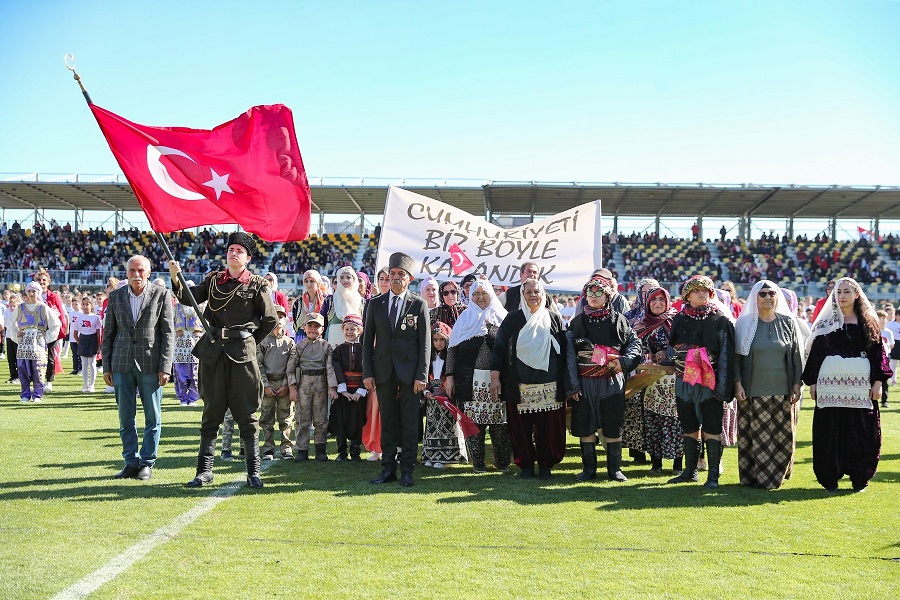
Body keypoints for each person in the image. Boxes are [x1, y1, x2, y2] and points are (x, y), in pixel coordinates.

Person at [169, 232, 278, 490]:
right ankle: (203, 471)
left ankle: (253, 472)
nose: (234, 253)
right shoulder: (214, 280)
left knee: (248, 414)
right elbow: (189, 298)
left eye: (240, 250)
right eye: (231, 249)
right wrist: (176, 276)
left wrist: (248, 340)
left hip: (243, 354)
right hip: (214, 353)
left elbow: (270, 320)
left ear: (248, 257)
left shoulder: (258, 284)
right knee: (211, 412)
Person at [802, 278, 890, 492]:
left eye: (847, 291)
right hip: (829, 390)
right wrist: (812, 382)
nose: (842, 295)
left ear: (857, 294)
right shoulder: (826, 324)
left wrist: (878, 382)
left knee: (862, 433)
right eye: (838, 291)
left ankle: (859, 477)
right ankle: (829, 477)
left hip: (861, 391)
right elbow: (816, 354)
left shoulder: (868, 323)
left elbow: (878, 355)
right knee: (829, 433)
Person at [102, 255, 174, 481]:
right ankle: (130, 462)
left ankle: (147, 462)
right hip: (121, 364)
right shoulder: (115, 296)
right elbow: (109, 334)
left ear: (149, 272)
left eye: (140, 270)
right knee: (125, 418)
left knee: (153, 417)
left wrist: (165, 366)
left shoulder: (162, 294)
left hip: (151, 365)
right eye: (132, 270)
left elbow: (168, 333)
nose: (136, 274)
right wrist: (106, 366)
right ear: (126, 273)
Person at [363, 252, 431, 488]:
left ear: (409, 278)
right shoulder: (375, 304)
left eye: (400, 274)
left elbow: (425, 343)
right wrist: (368, 373)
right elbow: (367, 341)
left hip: (410, 373)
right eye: (392, 274)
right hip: (383, 371)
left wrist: (422, 375)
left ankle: (407, 470)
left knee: (410, 421)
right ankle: (388, 468)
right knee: (389, 421)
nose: (395, 278)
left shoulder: (418, 304)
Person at [565, 277, 643, 481]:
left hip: (611, 380)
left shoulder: (619, 320)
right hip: (584, 382)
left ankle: (614, 469)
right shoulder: (577, 322)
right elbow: (569, 355)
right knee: (585, 422)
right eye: (589, 293)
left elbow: (635, 345)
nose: (592, 296)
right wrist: (573, 385)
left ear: (608, 295)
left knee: (612, 421)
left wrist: (624, 362)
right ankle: (589, 469)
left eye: (598, 292)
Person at [491, 278, 567, 480]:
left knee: (548, 430)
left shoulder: (553, 319)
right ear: (522, 295)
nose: (533, 295)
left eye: (537, 292)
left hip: (550, 384)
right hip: (520, 384)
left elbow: (565, 352)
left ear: (543, 295)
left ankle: (545, 466)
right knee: (521, 430)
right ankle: (525, 466)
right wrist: (495, 377)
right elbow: (498, 349)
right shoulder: (513, 319)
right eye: (529, 292)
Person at [666, 275, 736, 488]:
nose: (702, 292)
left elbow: (727, 355)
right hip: (684, 381)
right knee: (689, 425)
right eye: (696, 289)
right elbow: (672, 347)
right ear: (687, 295)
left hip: (710, 382)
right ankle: (690, 471)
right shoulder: (679, 318)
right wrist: (673, 355)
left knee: (712, 426)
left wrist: (723, 387)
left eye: (706, 289)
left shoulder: (720, 321)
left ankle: (713, 475)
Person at [733, 280, 803, 489]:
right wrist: (737, 384)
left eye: (771, 293)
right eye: (762, 294)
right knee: (758, 437)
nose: (767, 297)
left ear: (777, 296)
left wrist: (797, 383)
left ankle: (778, 475)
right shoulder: (744, 324)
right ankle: (758, 478)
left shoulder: (788, 322)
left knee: (782, 436)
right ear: (755, 297)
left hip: (783, 391)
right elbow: (736, 359)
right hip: (753, 391)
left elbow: (795, 355)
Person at [446, 280, 512, 473]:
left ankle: (501, 462)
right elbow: (452, 350)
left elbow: (510, 350)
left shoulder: (502, 318)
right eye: (476, 294)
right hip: (470, 381)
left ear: (491, 294)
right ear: (470, 296)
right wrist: (449, 376)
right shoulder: (464, 319)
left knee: (500, 424)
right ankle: (478, 463)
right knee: (474, 425)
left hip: (498, 381)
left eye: (484, 293)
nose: (480, 297)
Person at [633, 286, 683, 475]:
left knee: (677, 422)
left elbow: (683, 346)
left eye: (662, 300)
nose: (658, 303)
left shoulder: (676, 321)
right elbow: (634, 348)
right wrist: (647, 356)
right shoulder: (640, 323)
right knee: (654, 422)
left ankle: (678, 465)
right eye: (653, 300)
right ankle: (656, 464)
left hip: (674, 380)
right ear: (647, 302)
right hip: (649, 381)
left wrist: (666, 354)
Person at [287, 312, 338, 461]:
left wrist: (331, 387)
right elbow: (290, 368)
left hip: (320, 383)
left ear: (322, 329)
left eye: (317, 326)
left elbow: (330, 368)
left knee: (321, 417)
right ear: (304, 327)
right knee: (302, 417)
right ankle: (302, 449)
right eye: (310, 325)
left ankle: (320, 448)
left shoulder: (326, 346)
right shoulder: (299, 346)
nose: (313, 329)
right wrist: (292, 388)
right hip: (304, 383)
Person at [8, 282, 61, 402]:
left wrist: (46, 336)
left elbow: (56, 324)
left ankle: (37, 394)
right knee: (22, 368)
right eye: (29, 291)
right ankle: (25, 394)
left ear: (39, 292)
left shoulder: (43, 308)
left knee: (39, 368)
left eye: (34, 291)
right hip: (24, 343)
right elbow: (10, 322)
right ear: (26, 292)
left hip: (38, 343)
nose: (31, 294)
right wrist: (16, 334)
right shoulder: (20, 307)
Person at [257, 305, 296, 460]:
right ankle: (268, 448)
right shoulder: (263, 341)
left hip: (283, 384)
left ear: (285, 320)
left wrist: (286, 384)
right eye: (275, 316)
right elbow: (258, 364)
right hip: (268, 384)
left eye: (281, 316)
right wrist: (265, 385)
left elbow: (291, 366)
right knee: (266, 418)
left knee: (286, 418)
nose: (278, 320)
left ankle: (286, 448)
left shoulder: (289, 342)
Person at [420, 321, 460, 468]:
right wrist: (426, 392)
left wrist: (443, 390)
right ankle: (430, 455)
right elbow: (424, 378)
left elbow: (452, 377)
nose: (438, 343)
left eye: (442, 339)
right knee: (431, 427)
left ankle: (445, 458)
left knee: (446, 426)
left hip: (446, 398)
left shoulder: (451, 358)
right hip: (431, 399)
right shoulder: (427, 358)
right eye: (435, 340)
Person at [330, 314, 368, 462]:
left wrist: (360, 390)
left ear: (359, 331)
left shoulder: (365, 350)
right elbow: (337, 369)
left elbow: (367, 370)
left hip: (359, 392)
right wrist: (343, 390)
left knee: (357, 420)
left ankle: (355, 451)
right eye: (347, 329)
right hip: (343, 392)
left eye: (353, 329)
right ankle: (342, 452)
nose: (350, 332)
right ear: (342, 330)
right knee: (341, 420)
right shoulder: (338, 350)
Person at [34, 268, 68, 392]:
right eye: (39, 280)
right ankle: (38, 379)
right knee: (36, 356)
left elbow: (61, 314)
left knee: (50, 356)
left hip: (50, 330)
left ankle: (49, 381)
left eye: (44, 280)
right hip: (35, 330)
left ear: (48, 282)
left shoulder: (53, 296)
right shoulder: (32, 296)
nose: (41, 282)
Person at [172, 289, 204, 406]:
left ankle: (193, 397)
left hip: (195, 342)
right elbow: (171, 323)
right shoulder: (177, 306)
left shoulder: (200, 306)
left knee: (194, 371)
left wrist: (200, 335)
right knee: (181, 370)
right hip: (180, 343)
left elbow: (206, 324)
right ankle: (183, 397)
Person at [321, 266, 363, 346]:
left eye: (348, 277)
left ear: (354, 280)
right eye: (342, 277)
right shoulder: (329, 300)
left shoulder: (362, 301)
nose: (345, 280)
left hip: (356, 341)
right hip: (333, 340)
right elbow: (323, 323)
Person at [74, 296, 102, 393]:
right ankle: (85, 385)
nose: (85, 306)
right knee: (84, 364)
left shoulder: (95, 317)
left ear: (92, 305)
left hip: (92, 339)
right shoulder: (79, 317)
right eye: (84, 304)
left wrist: (98, 346)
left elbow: (98, 333)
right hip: (83, 339)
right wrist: (79, 342)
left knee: (92, 363)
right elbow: (75, 333)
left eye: (88, 304)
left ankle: (92, 385)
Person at [293, 270, 326, 342]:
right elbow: (295, 323)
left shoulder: (326, 300)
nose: (309, 284)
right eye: (306, 281)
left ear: (318, 282)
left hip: (320, 337)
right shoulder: (298, 302)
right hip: (301, 337)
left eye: (312, 281)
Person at [4, 293, 20, 383]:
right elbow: (6, 323)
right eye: (11, 306)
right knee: (11, 358)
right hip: (9, 336)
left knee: (18, 357)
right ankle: (13, 376)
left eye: (14, 306)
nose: (12, 308)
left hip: (17, 337)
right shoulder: (7, 312)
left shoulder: (19, 312)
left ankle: (19, 376)